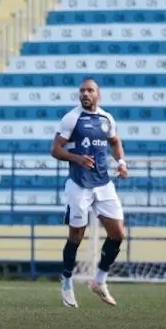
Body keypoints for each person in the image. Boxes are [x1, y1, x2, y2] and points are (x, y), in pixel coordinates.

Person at [51, 78, 128, 308]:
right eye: (82, 91)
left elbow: (114, 141)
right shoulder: (72, 118)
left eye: (90, 90)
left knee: (117, 234)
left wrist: (121, 162)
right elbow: (55, 149)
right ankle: (66, 281)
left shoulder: (106, 118)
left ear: (98, 94)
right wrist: (77, 158)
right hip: (79, 185)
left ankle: (99, 281)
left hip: (103, 184)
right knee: (76, 236)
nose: (85, 94)